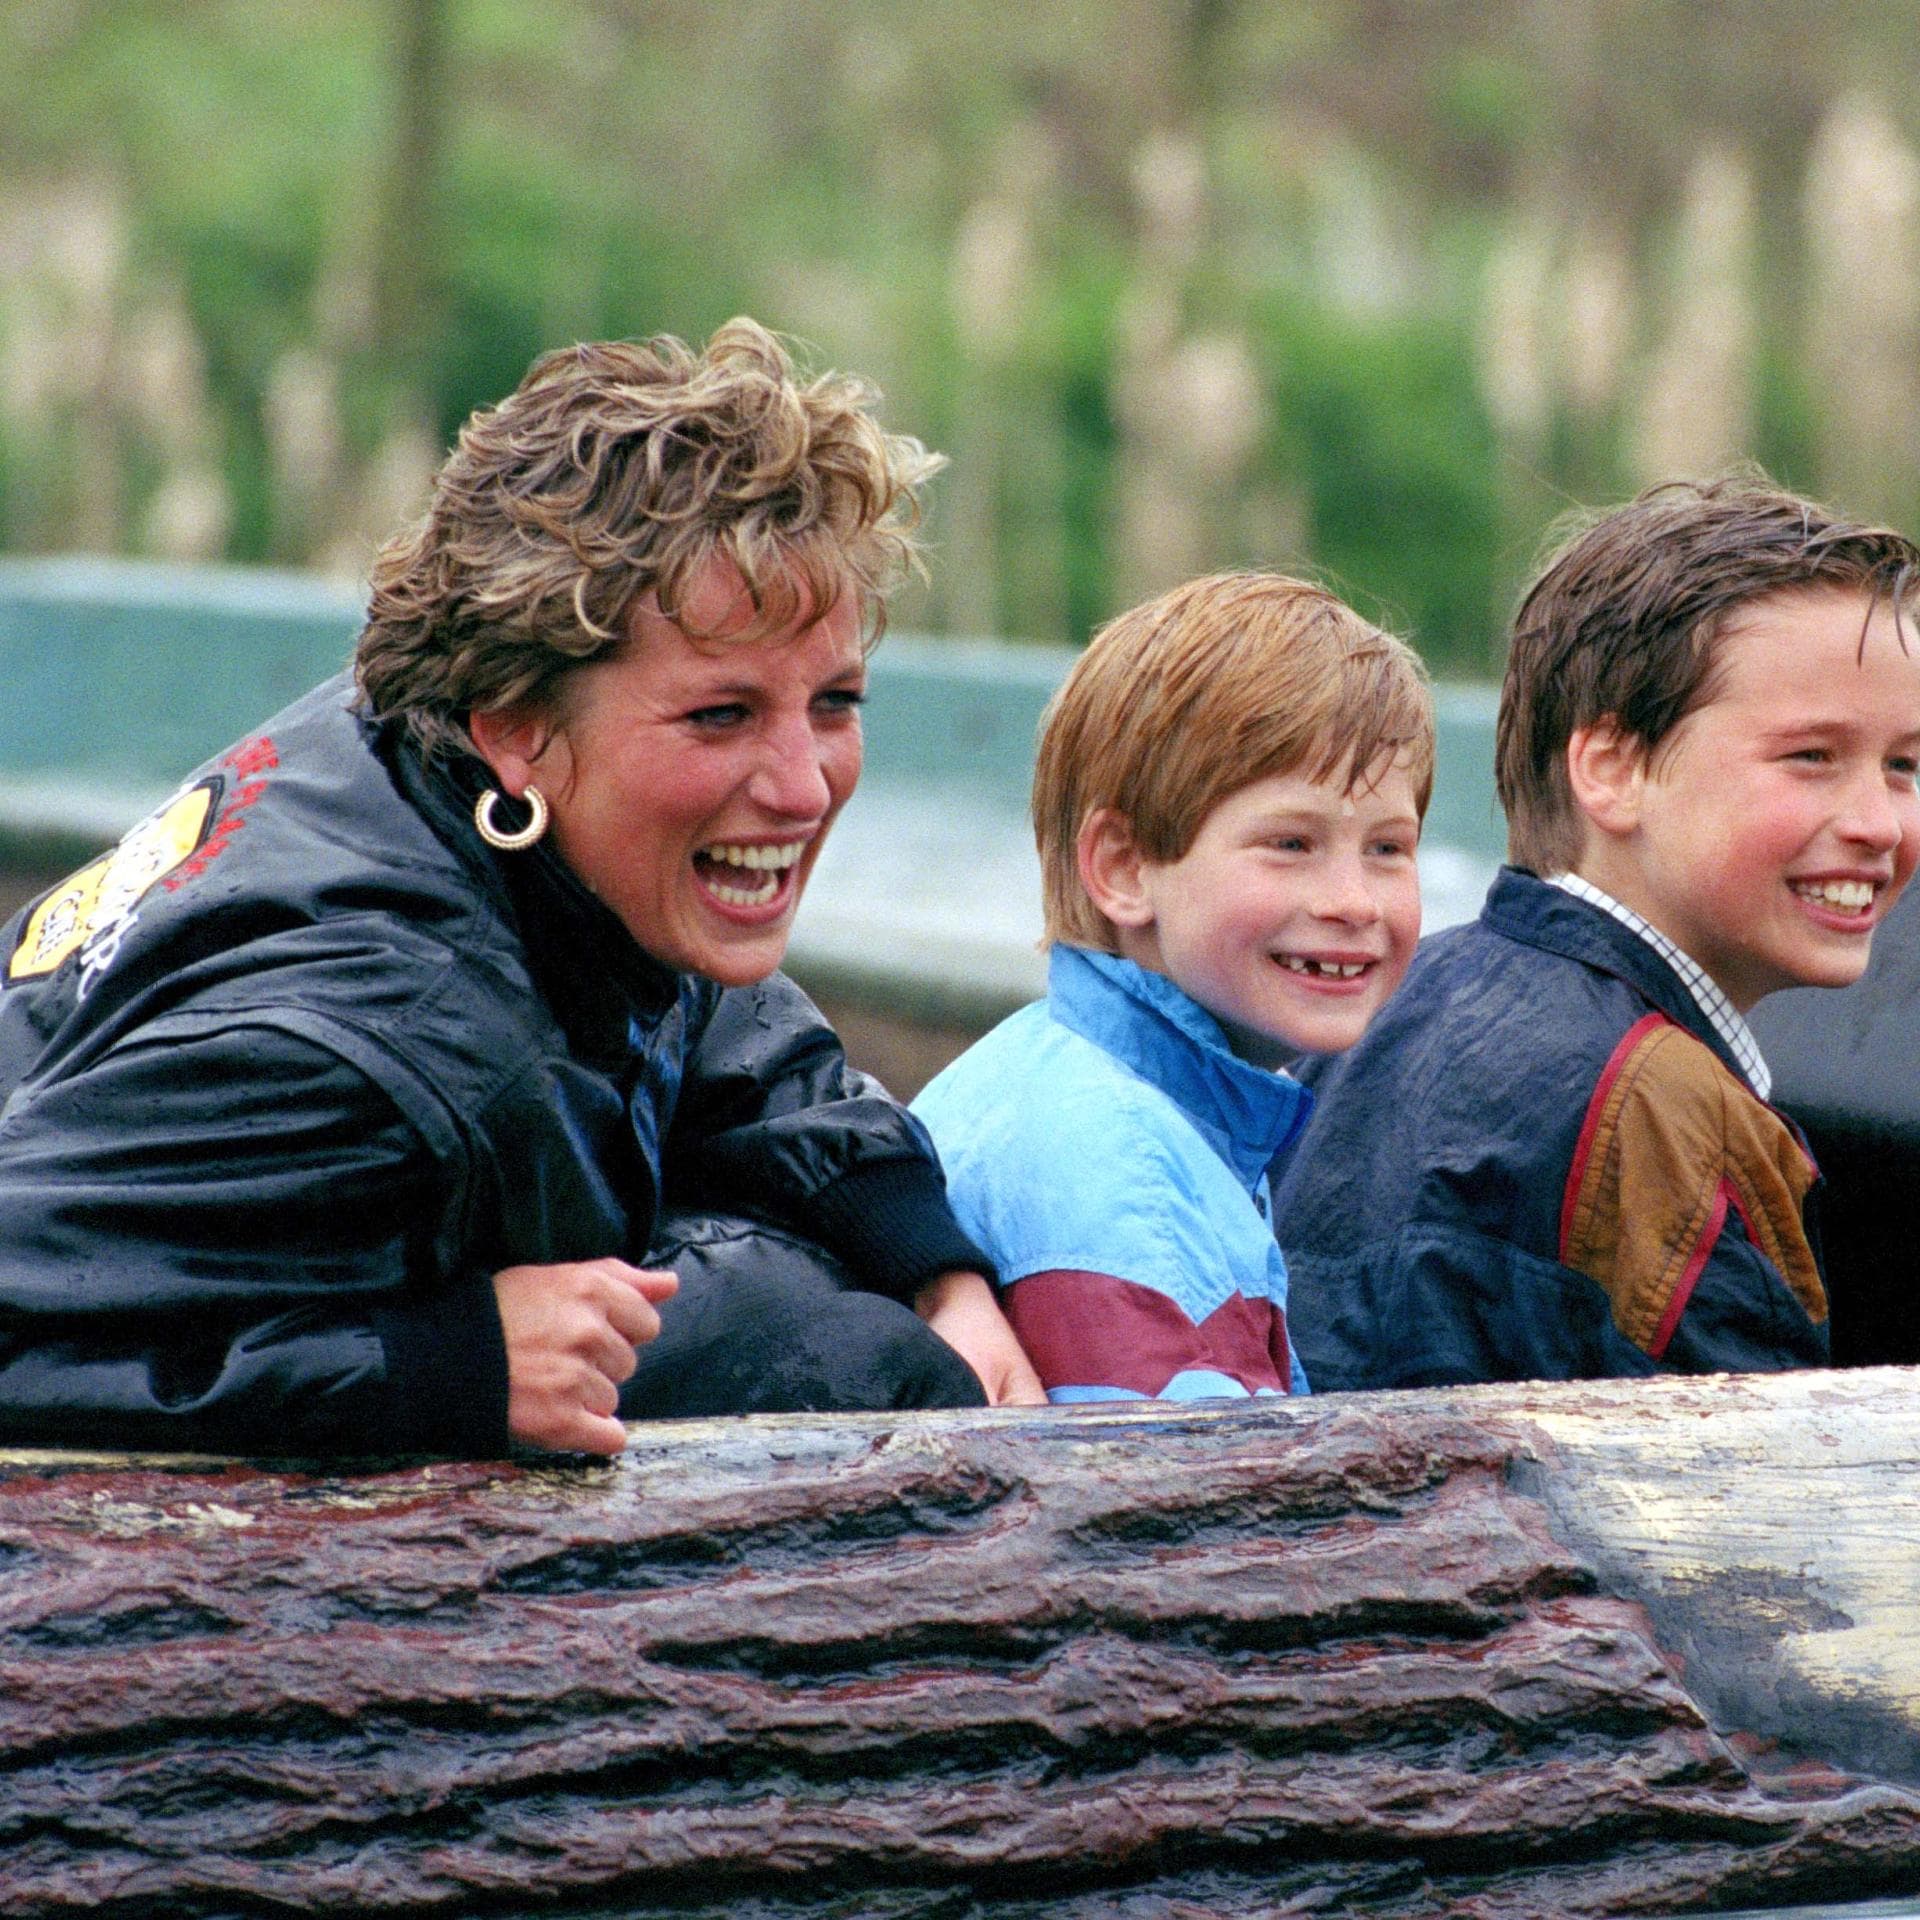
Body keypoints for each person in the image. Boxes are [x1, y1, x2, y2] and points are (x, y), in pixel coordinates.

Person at [0, 317, 1041, 1457]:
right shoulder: (378, 1052)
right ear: (517, 733)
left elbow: (707, 1013)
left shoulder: (442, 767)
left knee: (830, 1298)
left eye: (836, 702)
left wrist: (933, 1264)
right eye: (720, 715)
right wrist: (445, 1366)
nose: (804, 786)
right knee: (845, 1363)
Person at [1278, 473, 1920, 1391]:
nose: (1881, 823)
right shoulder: (1670, 1112)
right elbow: (1754, 1506)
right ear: (1613, 770)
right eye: (1812, 757)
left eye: (1904, 765)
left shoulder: (1385, 1003)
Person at [912, 573, 1432, 1402]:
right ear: (1123, 869)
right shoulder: (1128, 1189)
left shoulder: (1076, 1077)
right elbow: (1188, 1518)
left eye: (1388, 849)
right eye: (1291, 843)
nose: (1354, 902)